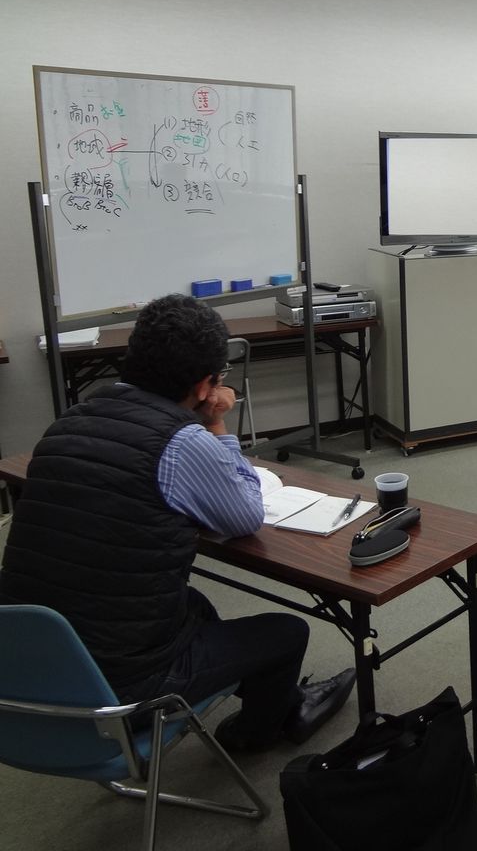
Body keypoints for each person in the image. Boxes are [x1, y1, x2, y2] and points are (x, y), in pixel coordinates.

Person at [0, 294, 355, 751]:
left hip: (24, 661)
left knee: (194, 605)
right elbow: (245, 514)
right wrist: (218, 425)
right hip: (114, 690)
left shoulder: (66, 423)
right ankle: (254, 735)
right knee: (287, 632)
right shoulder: (181, 443)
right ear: (206, 385)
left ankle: (273, 695)